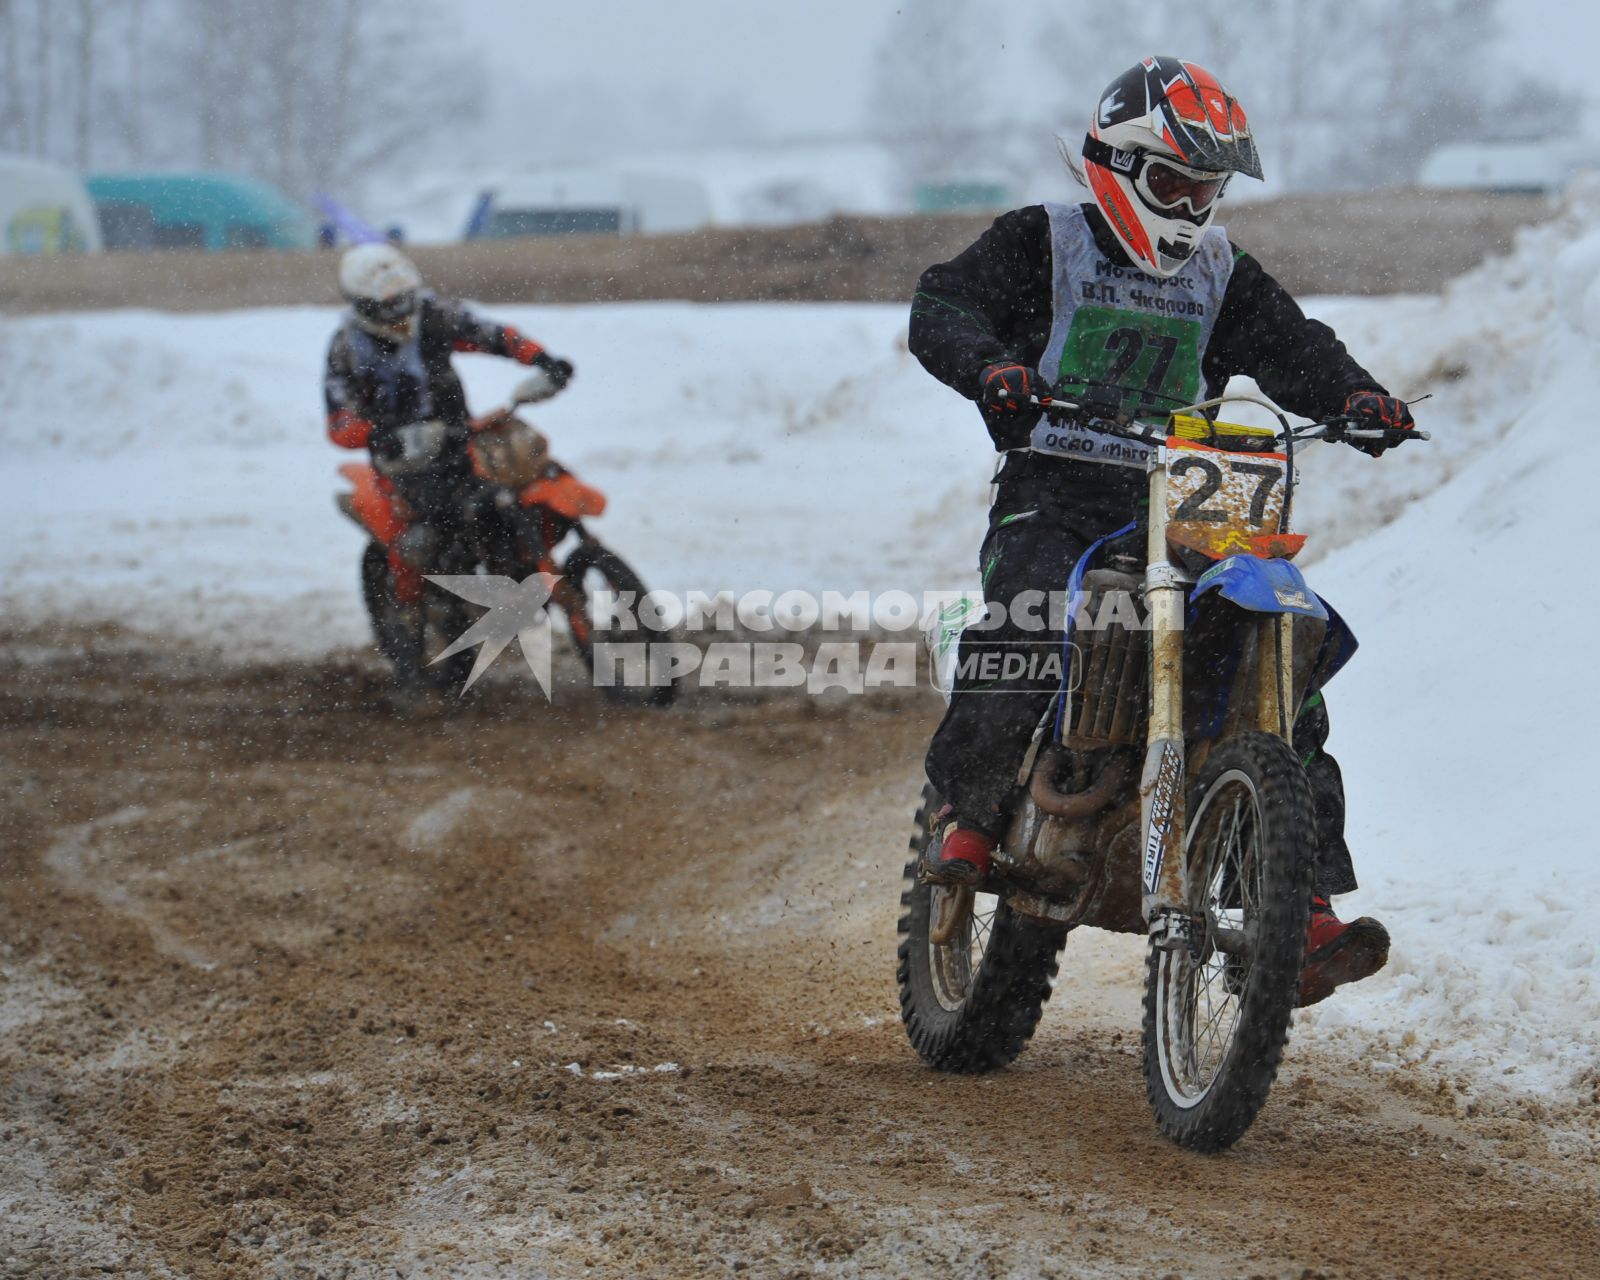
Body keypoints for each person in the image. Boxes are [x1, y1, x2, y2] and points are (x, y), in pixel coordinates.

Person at [908, 57, 1413, 1005]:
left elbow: (1291, 343)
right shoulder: (1043, 242)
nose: (1189, 206)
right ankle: (967, 817)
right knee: (1026, 619)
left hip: (1193, 497)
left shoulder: (1221, 271)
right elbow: (943, 303)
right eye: (1173, 183)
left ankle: (1296, 903)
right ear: (1117, 165)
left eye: (1206, 188)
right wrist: (991, 370)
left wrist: (1356, 396)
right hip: (1058, 484)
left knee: (1284, 655)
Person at [324, 242, 575, 605]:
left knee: (526, 484)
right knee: (429, 537)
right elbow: (338, 421)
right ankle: (419, 620)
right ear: (362, 305)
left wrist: (543, 359)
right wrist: (379, 434)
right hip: (402, 460)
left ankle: (521, 565)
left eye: (403, 299)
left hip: (461, 437)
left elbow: (492, 334)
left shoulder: (433, 315)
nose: (398, 311)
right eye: (386, 305)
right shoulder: (347, 347)